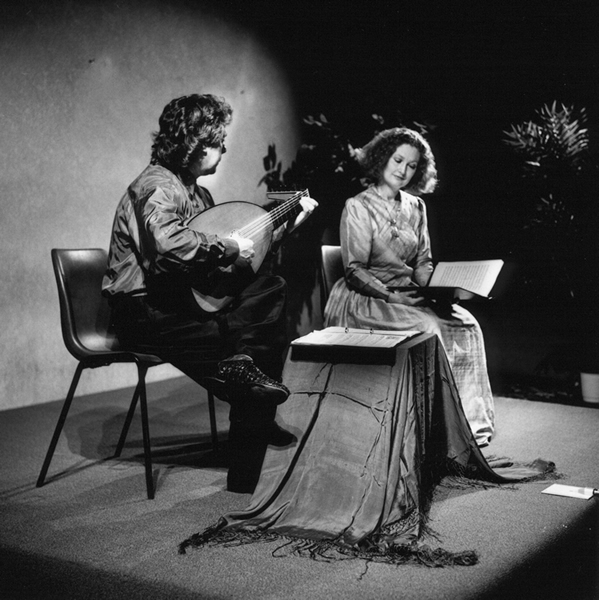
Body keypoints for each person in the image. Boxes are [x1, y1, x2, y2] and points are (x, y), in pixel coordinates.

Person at [102, 93, 318, 492]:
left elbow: (225, 264)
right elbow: (167, 246)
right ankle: (248, 460)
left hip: (178, 302)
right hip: (142, 311)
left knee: (269, 289)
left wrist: (283, 230)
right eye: (218, 142)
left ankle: (248, 389)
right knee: (249, 354)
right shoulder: (157, 186)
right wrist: (229, 246)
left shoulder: (198, 195)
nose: (223, 149)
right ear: (194, 144)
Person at [324, 127, 494, 446]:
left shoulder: (416, 207)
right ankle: (436, 431)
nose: (403, 170)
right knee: (428, 328)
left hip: (408, 293)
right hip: (366, 298)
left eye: (412, 165)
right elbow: (355, 271)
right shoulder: (358, 206)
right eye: (398, 160)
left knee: (467, 325)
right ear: (381, 159)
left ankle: (468, 429)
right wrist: (394, 297)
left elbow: (422, 263)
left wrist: (439, 290)